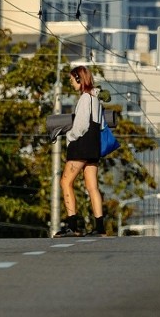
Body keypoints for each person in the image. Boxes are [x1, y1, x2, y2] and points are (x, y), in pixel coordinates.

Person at [53, 65, 107, 237]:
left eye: (71, 79)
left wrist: (70, 136)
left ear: (79, 78)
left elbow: (81, 126)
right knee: (92, 187)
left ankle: (72, 226)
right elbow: (102, 125)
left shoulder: (84, 98)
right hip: (94, 147)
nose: (70, 82)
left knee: (65, 182)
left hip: (81, 147)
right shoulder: (96, 99)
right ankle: (100, 228)